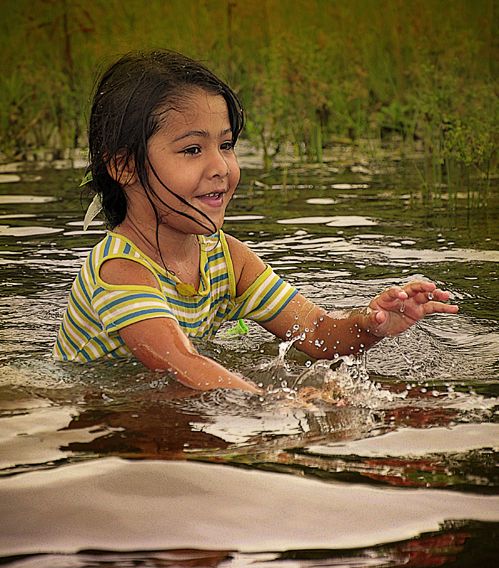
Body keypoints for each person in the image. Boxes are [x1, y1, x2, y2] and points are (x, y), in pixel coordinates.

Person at [53, 50, 458, 393]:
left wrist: (373, 325)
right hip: (100, 410)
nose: (221, 167)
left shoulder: (227, 258)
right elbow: (182, 365)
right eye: (192, 149)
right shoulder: (121, 270)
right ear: (124, 166)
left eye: (226, 145)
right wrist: (274, 402)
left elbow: (317, 332)